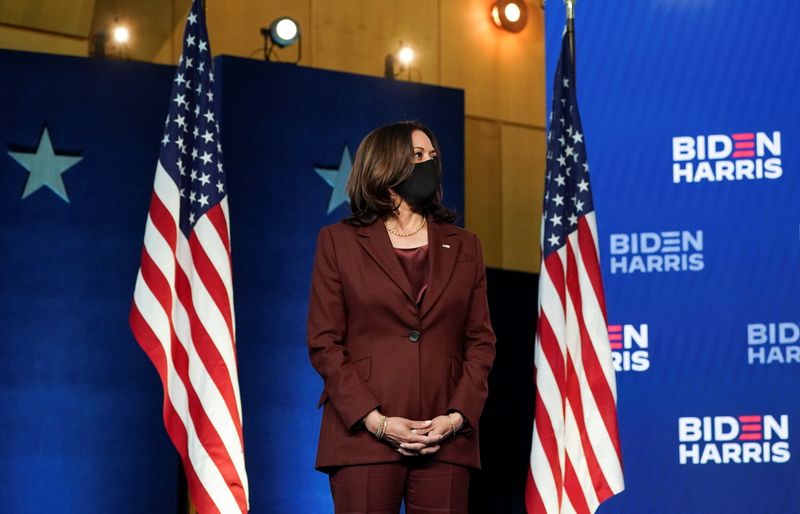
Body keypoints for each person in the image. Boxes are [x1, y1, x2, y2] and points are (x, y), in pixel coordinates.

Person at [307, 120, 497, 514]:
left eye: (433, 156)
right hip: (363, 438)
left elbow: (481, 343)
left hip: (444, 440)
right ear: (385, 165)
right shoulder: (338, 242)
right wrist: (375, 421)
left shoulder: (466, 246)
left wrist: (456, 418)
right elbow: (324, 342)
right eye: (417, 155)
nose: (429, 163)